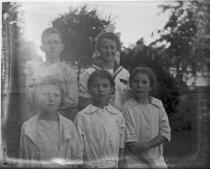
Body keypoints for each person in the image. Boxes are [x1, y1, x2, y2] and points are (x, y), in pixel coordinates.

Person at [19, 77, 82, 167]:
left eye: (56, 95)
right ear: (37, 97)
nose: (51, 99)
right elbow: (22, 159)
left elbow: (76, 158)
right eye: (46, 94)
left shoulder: (68, 126)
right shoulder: (27, 127)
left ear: (61, 99)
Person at [74, 70, 126, 168]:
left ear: (111, 89)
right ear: (89, 89)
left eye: (105, 85)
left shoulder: (118, 115)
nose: (101, 89)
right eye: (95, 86)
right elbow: (77, 150)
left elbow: (121, 146)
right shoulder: (82, 116)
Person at [122, 67, 171, 168]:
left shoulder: (158, 105)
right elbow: (132, 145)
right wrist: (151, 164)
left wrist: (145, 145)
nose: (139, 85)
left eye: (144, 82)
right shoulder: (126, 108)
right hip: (134, 163)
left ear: (150, 86)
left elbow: (165, 133)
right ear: (131, 84)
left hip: (158, 160)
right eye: (136, 81)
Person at [25, 27, 78, 121]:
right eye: (48, 42)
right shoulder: (35, 73)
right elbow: (30, 98)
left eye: (56, 42)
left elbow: (73, 100)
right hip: (40, 119)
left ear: (62, 47)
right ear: (42, 48)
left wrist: (50, 102)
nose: (53, 46)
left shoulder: (68, 72)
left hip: (62, 119)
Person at [78, 32, 130, 111]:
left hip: (120, 119)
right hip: (95, 117)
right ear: (98, 49)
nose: (109, 51)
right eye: (105, 47)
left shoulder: (125, 73)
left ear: (117, 49)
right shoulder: (88, 73)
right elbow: (81, 102)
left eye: (112, 47)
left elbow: (129, 100)